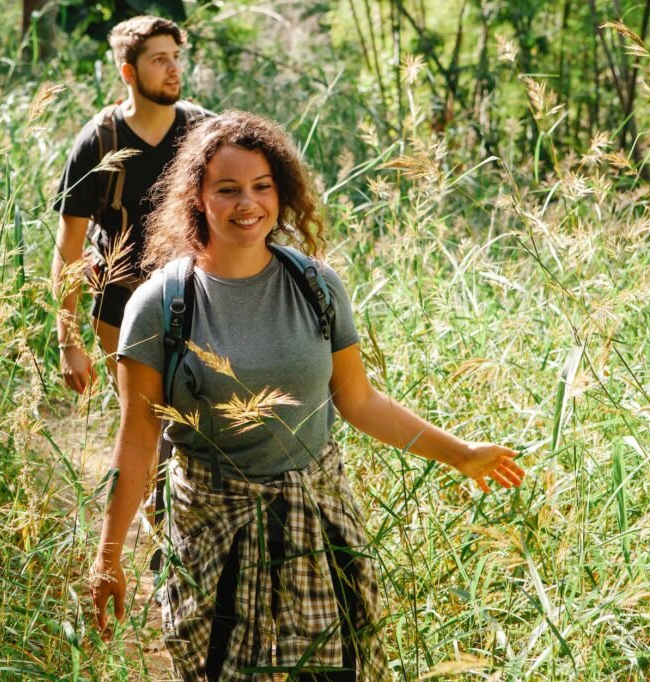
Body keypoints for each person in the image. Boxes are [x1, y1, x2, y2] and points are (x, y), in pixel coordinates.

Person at [89, 111, 527, 681]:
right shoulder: (161, 304)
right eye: (228, 189)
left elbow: (360, 401)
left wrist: (461, 453)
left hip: (317, 523)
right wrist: (109, 553)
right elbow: (138, 437)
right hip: (213, 534)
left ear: (281, 192)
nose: (248, 204)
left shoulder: (316, 286)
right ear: (198, 196)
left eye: (261, 187)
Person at [52, 15, 210, 394]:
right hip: (119, 302)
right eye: (158, 60)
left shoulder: (203, 131)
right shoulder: (99, 140)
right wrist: (68, 343)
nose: (174, 69)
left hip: (195, 296)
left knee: (198, 418)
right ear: (128, 71)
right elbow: (68, 246)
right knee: (142, 420)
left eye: (175, 56)